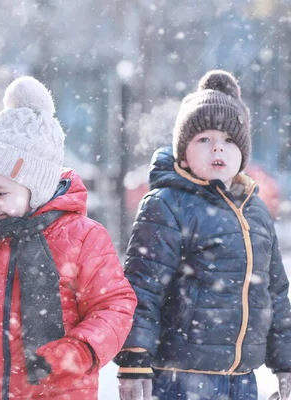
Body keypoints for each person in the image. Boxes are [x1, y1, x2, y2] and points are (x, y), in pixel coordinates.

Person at [0, 76, 137, 400]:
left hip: (60, 388)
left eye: (1, 192)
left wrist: (80, 349)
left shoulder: (83, 238)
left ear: (37, 187)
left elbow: (115, 305)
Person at [115, 70, 291, 400]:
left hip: (241, 377)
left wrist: (286, 361)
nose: (217, 149)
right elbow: (142, 287)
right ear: (183, 152)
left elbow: (276, 292)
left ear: (242, 152)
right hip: (183, 375)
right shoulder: (167, 204)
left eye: (228, 140)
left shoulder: (255, 209)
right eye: (204, 139)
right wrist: (134, 358)